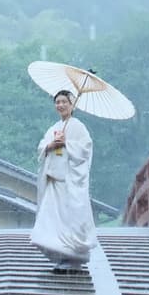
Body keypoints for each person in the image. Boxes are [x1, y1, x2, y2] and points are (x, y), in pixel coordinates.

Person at [30, 89, 96, 271]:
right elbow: (42, 146)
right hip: (54, 180)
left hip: (69, 181)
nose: (60, 105)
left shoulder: (78, 126)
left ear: (72, 104)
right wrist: (51, 145)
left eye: (64, 102)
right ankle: (61, 255)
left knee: (69, 218)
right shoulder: (54, 127)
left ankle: (74, 257)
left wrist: (67, 143)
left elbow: (85, 149)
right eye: (57, 102)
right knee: (53, 219)